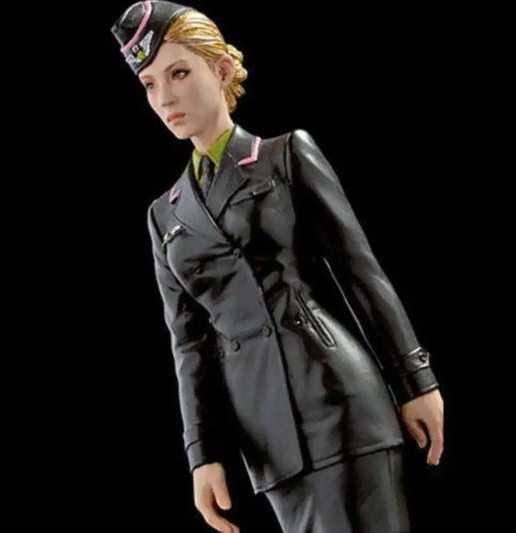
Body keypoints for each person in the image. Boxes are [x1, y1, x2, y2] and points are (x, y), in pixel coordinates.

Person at [110, 2, 444, 532]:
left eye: (179, 73)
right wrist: (203, 454)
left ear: (221, 69)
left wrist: (415, 380)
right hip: (266, 436)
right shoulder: (164, 214)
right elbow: (188, 345)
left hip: (338, 400)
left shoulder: (283, 156)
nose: (165, 98)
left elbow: (359, 271)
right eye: (150, 84)